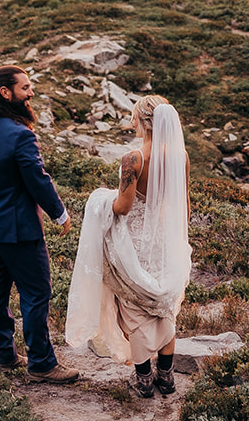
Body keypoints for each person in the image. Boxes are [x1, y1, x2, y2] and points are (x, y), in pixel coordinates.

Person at [65, 94, 192, 398]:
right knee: (164, 309)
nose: (131, 121)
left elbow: (122, 206)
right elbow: (184, 207)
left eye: (134, 116)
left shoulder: (134, 159)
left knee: (135, 311)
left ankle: (145, 380)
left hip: (134, 242)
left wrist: (99, 198)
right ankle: (167, 376)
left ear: (144, 122)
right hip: (164, 242)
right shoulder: (180, 156)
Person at [0, 65, 80, 384]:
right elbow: (38, 181)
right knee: (36, 293)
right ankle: (41, 363)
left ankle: (3, 355)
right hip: (19, 230)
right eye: (25, 88)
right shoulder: (20, 135)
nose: (31, 92)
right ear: (5, 93)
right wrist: (60, 213)